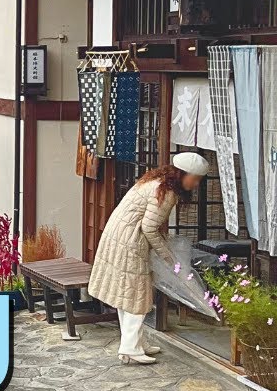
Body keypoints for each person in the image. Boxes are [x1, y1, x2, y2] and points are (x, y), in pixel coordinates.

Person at [89, 152, 208, 365]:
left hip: (118, 235)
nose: (196, 184)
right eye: (195, 178)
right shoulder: (166, 192)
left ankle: (135, 343)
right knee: (137, 296)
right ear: (183, 174)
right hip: (130, 241)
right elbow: (150, 228)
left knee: (127, 294)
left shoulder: (156, 180)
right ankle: (130, 347)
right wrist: (169, 258)